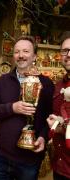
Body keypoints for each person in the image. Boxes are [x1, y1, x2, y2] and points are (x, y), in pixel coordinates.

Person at [0, 35, 54, 180]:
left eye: (25, 51)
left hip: (29, 161)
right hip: (1, 158)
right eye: (17, 52)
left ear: (34, 56)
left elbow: (51, 118)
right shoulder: (4, 80)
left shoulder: (46, 84)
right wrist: (12, 108)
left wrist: (42, 137)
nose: (20, 55)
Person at [46, 31, 70, 180]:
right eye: (64, 51)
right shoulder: (58, 86)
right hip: (60, 167)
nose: (68, 54)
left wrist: (63, 127)